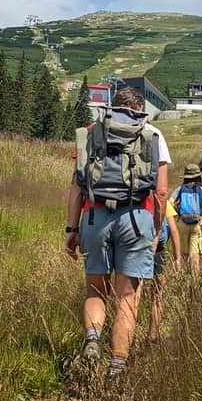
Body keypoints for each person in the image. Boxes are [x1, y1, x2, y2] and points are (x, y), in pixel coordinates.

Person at [66, 87, 171, 378]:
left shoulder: (90, 132)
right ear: (140, 108)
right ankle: (117, 367)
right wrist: (156, 230)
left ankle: (92, 340)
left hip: (95, 217)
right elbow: (161, 191)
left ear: (113, 107)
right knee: (127, 299)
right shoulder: (153, 134)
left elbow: (77, 186)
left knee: (96, 292)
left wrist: (71, 229)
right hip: (136, 219)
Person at [171, 164, 202, 278]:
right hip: (197, 223)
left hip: (182, 223)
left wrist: (179, 212)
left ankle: (184, 277)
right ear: (198, 176)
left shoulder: (180, 189)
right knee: (195, 254)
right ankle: (194, 279)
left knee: (184, 253)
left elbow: (170, 202)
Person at [147, 198, 181, 343]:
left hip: (138, 252)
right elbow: (173, 230)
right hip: (159, 252)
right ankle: (152, 335)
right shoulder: (163, 202)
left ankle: (128, 335)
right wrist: (177, 258)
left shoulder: (137, 198)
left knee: (132, 295)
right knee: (157, 295)